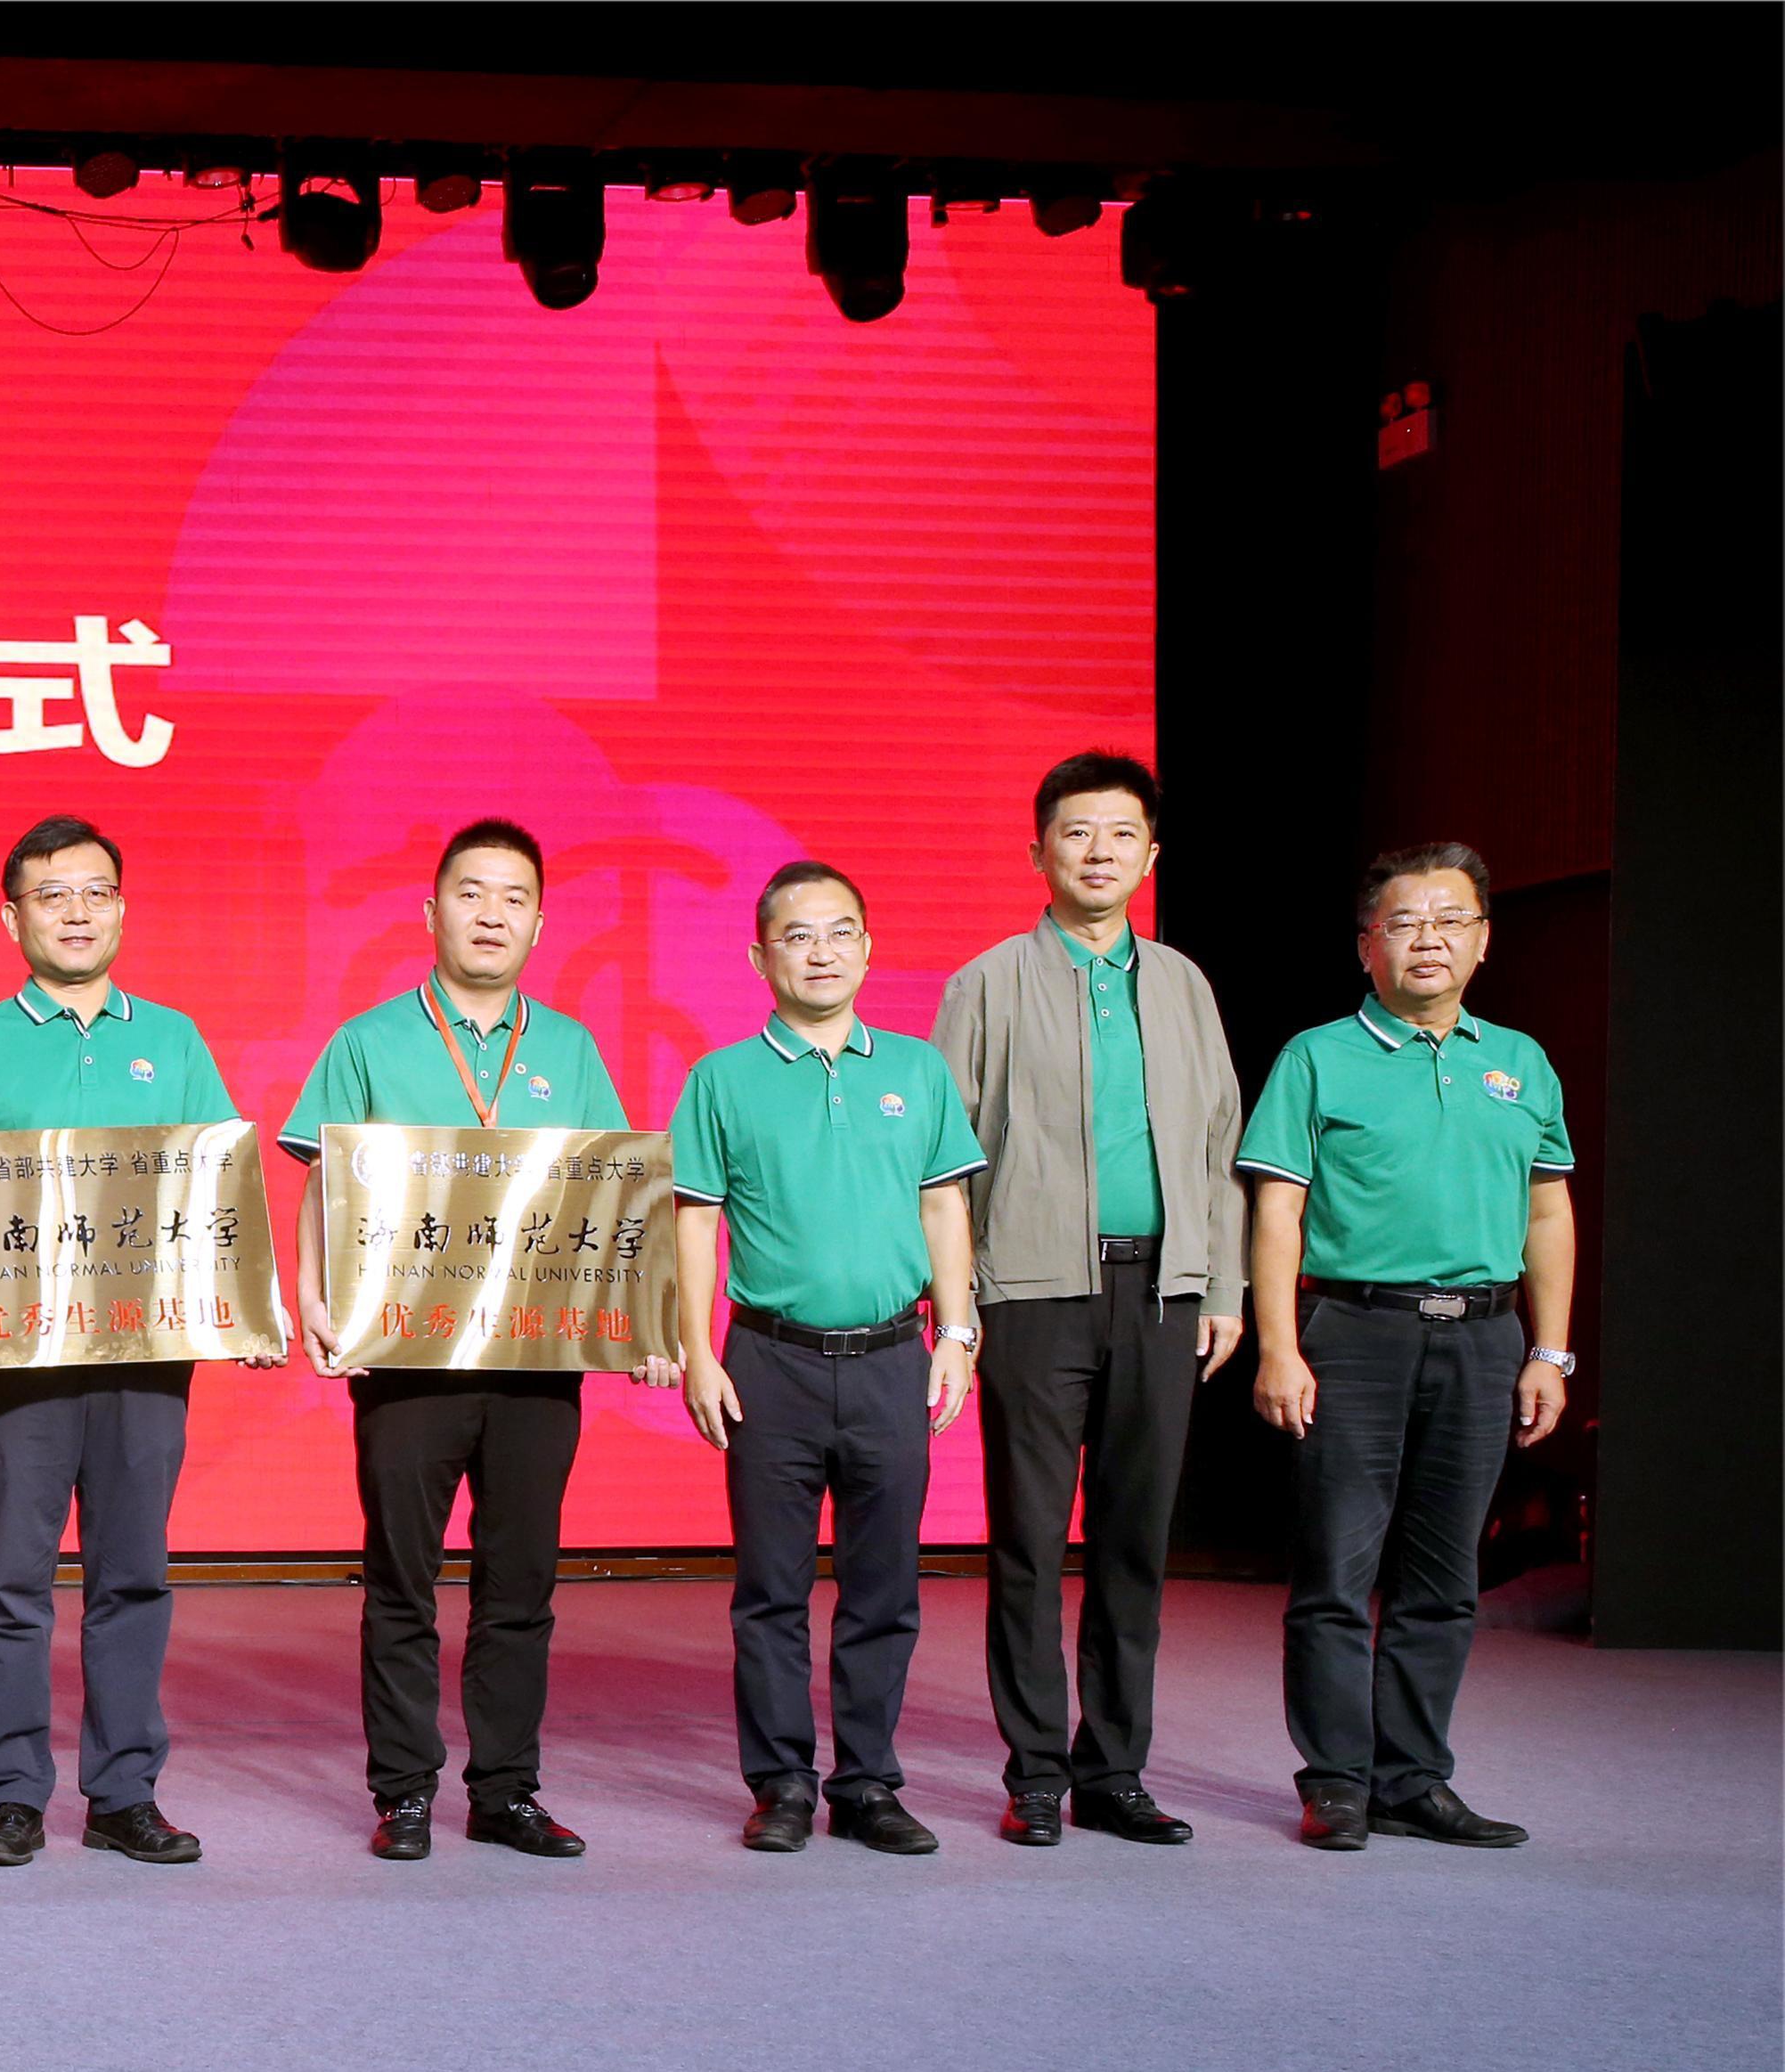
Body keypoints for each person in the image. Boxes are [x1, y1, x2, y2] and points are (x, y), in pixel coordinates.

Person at [280, 818, 641, 1862]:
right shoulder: (368, 1041)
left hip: (537, 1360)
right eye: (472, 893)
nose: (492, 914)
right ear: (430, 910)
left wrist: (643, 1317)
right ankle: (403, 1792)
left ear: (539, 922)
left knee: (519, 1583)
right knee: (401, 1580)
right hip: (408, 1358)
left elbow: (611, 1194)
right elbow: (322, 1180)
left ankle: (505, 1791)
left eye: (514, 898)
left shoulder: (569, 1048)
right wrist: (310, 1294)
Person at [0, 814, 249, 1870]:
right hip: (17, 1358)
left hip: (146, 1353)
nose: (77, 912)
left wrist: (245, 1305)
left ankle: (123, 1793)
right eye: (52, 895)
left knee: (133, 1575)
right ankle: (13, 1796)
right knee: (13, 1581)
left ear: (122, 909)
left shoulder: (174, 1041)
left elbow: (218, 1185)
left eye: (96, 891)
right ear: (12, 918)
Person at [933, 749, 1245, 1848]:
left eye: (1121, 834)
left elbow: (1218, 1146)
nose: (1099, 851)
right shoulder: (986, 983)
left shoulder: (1184, 983)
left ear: (1151, 857)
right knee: (1027, 1541)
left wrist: (1221, 1284)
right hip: (1032, 1292)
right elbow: (945, 1160)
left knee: (1133, 1540)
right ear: (1038, 852)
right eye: (1077, 832)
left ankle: (1114, 1770)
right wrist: (958, 1306)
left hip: (1162, 1291)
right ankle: (1035, 1773)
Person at [1237, 842, 1575, 1852]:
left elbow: (1548, 1213)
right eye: (1405, 922)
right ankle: (1337, 1780)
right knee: (1336, 1573)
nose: (1429, 939)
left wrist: (1551, 1351)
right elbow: (1277, 1211)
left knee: (1444, 1578)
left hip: (1484, 1337)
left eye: (1451, 920)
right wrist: (1279, 1346)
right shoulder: (1317, 1056)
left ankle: (1414, 1780)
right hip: (1355, 1335)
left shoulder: (1520, 1061)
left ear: (1483, 941)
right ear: (1366, 945)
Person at [667, 862, 988, 1856]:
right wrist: (695, 1351)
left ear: (868, 947)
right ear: (760, 956)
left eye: (841, 931)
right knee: (770, 1589)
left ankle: (868, 1783)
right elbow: (695, 1221)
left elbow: (944, 1204)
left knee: (884, 1586)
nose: (821, 951)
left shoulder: (918, 1071)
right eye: (798, 935)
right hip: (771, 1360)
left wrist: (958, 1332)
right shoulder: (720, 1078)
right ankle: (781, 1785)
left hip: (894, 1356)